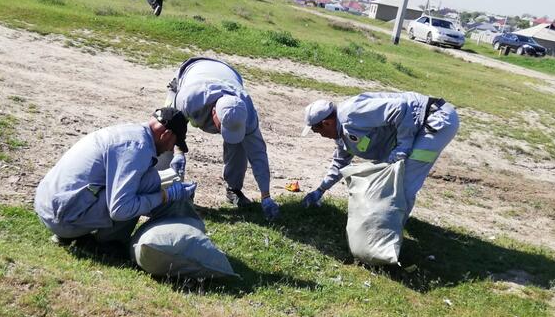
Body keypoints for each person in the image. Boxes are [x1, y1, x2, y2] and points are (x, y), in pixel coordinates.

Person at [34, 107, 196, 245]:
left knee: (147, 179)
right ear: (166, 134)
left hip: (47, 206)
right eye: (173, 144)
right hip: (62, 219)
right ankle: (109, 244)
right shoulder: (137, 148)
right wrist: (164, 196)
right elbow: (121, 210)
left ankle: (83, 233)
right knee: (146, 184)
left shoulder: (132, 133)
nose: (169, 149)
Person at [300, 92, 459, 227]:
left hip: (435, 119)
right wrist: (320, 190)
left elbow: (399, 108)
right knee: (386, 180)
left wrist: (403, 146)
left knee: (402, 183)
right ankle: (385, 225)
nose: (321, 136)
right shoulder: (341, 134)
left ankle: (387, 234)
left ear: (326, 123)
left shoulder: (352, 113)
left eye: (318, 131)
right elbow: (340, 164)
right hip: (416, 126)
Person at [160, 57, 280, 220]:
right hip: (192, 73)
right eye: (223, 127)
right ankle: (163, 191)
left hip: (228, 74)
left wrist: (266, 196)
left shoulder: (247, 111)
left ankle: (233, 190)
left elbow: (258, 154)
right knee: (165, 136)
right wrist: (179, 152)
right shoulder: (190, 98)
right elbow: (174, 126)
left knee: (239, 145)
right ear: (214, 113)